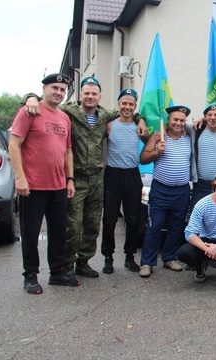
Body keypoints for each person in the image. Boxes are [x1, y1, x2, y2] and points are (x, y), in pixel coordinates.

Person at [24, 76, 147, 278]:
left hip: (97, 179)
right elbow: (46, 103)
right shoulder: (68, 112)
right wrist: (31, 97)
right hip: (76, 177)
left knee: (92, 225)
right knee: (72, 225)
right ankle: (67, 264)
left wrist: (140, 118)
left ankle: (84, 261)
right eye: (86, 93)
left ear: (99, 96)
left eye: (94, 93)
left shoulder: (104, 115)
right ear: (80, 94)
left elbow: (128, 111)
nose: (90, 96)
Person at [9, 73, 79, 294]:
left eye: (62, 89)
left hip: (58, 186)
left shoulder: (64, 118)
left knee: (58, 232)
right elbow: (14, 145)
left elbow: (67, 151)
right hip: (33, 186)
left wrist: (70, 179)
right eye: (54, 88)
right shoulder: (29, 111)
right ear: (44, 88)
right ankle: (30, 275)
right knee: (30, 233)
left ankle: (56, 273)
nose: (58, 92)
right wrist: (20, 177)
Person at [138, 105, 194, 277]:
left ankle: (169, 258)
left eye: (181, 120)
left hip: (182, 191)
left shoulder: (189, 138)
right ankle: (147, 262)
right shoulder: (157, 137)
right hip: (161, 190)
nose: (178, 123)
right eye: (175, 120)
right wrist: (157, 151)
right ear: (168, 121)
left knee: (176, 227)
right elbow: (143, 158)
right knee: (154, 227)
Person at [100, 88, 148, 274]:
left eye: (131, 104)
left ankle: (130, 256)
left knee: (133, 219)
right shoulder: (109, 125)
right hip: (112, 175)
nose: (127, 107)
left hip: (132, 175)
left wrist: (141, 119)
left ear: (135, 107)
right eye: (124, 103)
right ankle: (108, 257)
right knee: (110, 219)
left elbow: (151, 136)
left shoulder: (139, 127)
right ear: (119, 104)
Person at [189, 103, 216, 212]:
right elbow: (173, 124)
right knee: (197, 219)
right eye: (209, 115)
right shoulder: (196, 130)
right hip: (200, 185)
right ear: (205, 117)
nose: (213, 118)